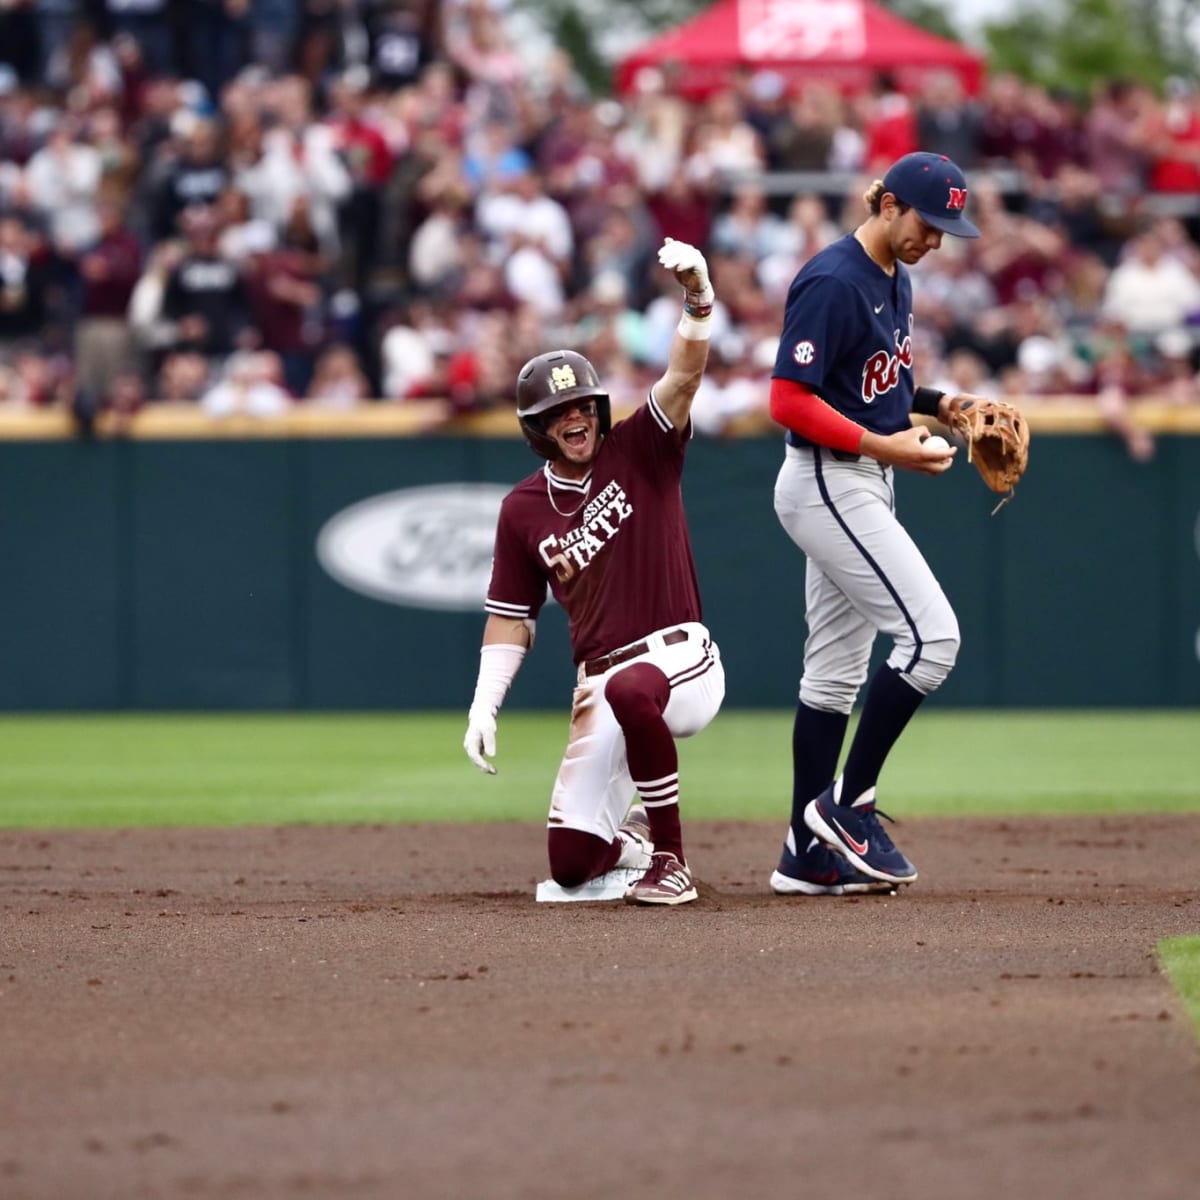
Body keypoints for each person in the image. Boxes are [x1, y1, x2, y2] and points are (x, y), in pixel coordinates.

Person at [463, 237, 726, 907]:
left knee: (634, 689)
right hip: (598, 683)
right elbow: (511, 618)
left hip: (679, 660)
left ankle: (672, 859)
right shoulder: (522, 508)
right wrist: (484, 703)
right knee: (573, 865)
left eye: (581, 404)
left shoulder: (642, 448)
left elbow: (684, 377)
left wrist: (697, 300)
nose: (574, 417)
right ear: (537, 429)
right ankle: (632, 844)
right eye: (557, 413)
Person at [765, 151, 983, 895]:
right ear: (888, 204)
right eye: (930, 222)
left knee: (832, 677)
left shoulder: (898, 275)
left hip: (862, 478)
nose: (937, 240)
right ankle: (848, 807)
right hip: (830, 478)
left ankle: (804, 852)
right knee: (932, 639)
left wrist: (940, 403)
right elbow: (789, 399)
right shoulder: (832, 278)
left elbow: (874, 378)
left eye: (949, 228)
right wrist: (886, 444)